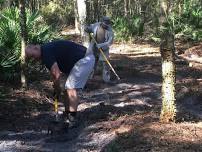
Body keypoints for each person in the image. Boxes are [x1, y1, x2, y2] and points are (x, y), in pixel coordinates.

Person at [25, 40, 95, 128]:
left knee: (70, 88)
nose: (33, 58)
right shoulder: (45, 51)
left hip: (84, 59)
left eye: (32, 55)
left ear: (36, 48)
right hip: (76, 63)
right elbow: (53, 73)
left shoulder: (46, 52)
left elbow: (57, 73)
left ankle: (72, 119)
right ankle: (67, 113)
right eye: (31, 58)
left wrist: (57, 89)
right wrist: (56, 88)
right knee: (67, 88)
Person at [85, 16, 114, 83]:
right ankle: (89, 78)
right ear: (102, 22)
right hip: (93, 47)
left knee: (105, 64)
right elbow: (89, 29)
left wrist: (101, 45)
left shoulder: (110, 31)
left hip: (104, 49)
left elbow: (110, 42)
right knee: (92, 62)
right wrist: (87, 29)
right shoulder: (96, 25)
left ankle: (106, 79)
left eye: (107, 24)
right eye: (104, 24)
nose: (106, 25)